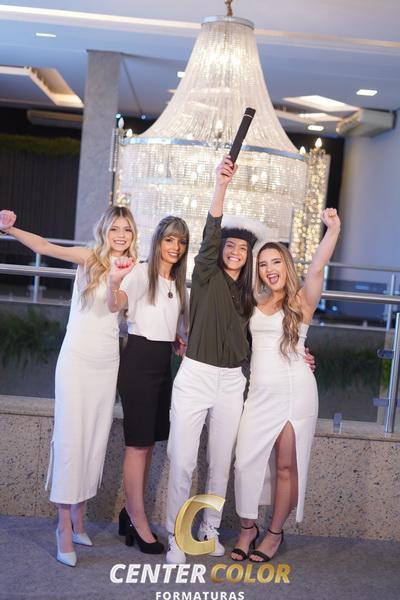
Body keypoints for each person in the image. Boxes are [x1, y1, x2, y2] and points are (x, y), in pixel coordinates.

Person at [0, 206, 137, 567]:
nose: (120, 235)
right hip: (76, 360)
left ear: (133, 235)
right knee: (71, 439)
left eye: (126, 229)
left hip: (107, 363)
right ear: (104, 231)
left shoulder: (133, 269)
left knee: (94, 439)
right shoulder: (88, 257)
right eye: (115, 228)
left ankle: (79, 517)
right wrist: (10, 230)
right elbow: (44, 247)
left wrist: (116, 282)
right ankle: (63, 526)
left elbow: (116, 306)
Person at [165, 155, 269, 564]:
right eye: (230, 245)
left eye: (243, 248)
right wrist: (220, 185)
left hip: (232, 382)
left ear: (248, 256)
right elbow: (211, 231)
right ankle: (177, 536)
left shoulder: (250, 294)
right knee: (182, 461)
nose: (235, 251)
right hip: (195, 375)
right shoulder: (206, 276)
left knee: (220, 463)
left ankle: (209, 530)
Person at [231, 208, 341, 562]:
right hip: (259, 394)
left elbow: (318, 268)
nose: (269, 269)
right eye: (263, 264)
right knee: (245, 462)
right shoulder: (253, 301)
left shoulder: (301, 301)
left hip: (295, 391)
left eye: (275, 261)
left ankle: (274, 533)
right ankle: (247, 528)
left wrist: (332, 230)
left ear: (286, 265)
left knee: (284, 466)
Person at [107, 215, 190, 555]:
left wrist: (178, 338)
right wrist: (114, 284)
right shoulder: (142, 273)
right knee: (138, 445)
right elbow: (117, 303)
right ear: (158, 241)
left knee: (150, 443)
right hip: (139, 361)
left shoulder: (178, 283)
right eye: (169, 240)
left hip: (162, 363)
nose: (175, 247)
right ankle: (138, 520)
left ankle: (130, 512)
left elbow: (169, 321)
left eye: (181, 242)